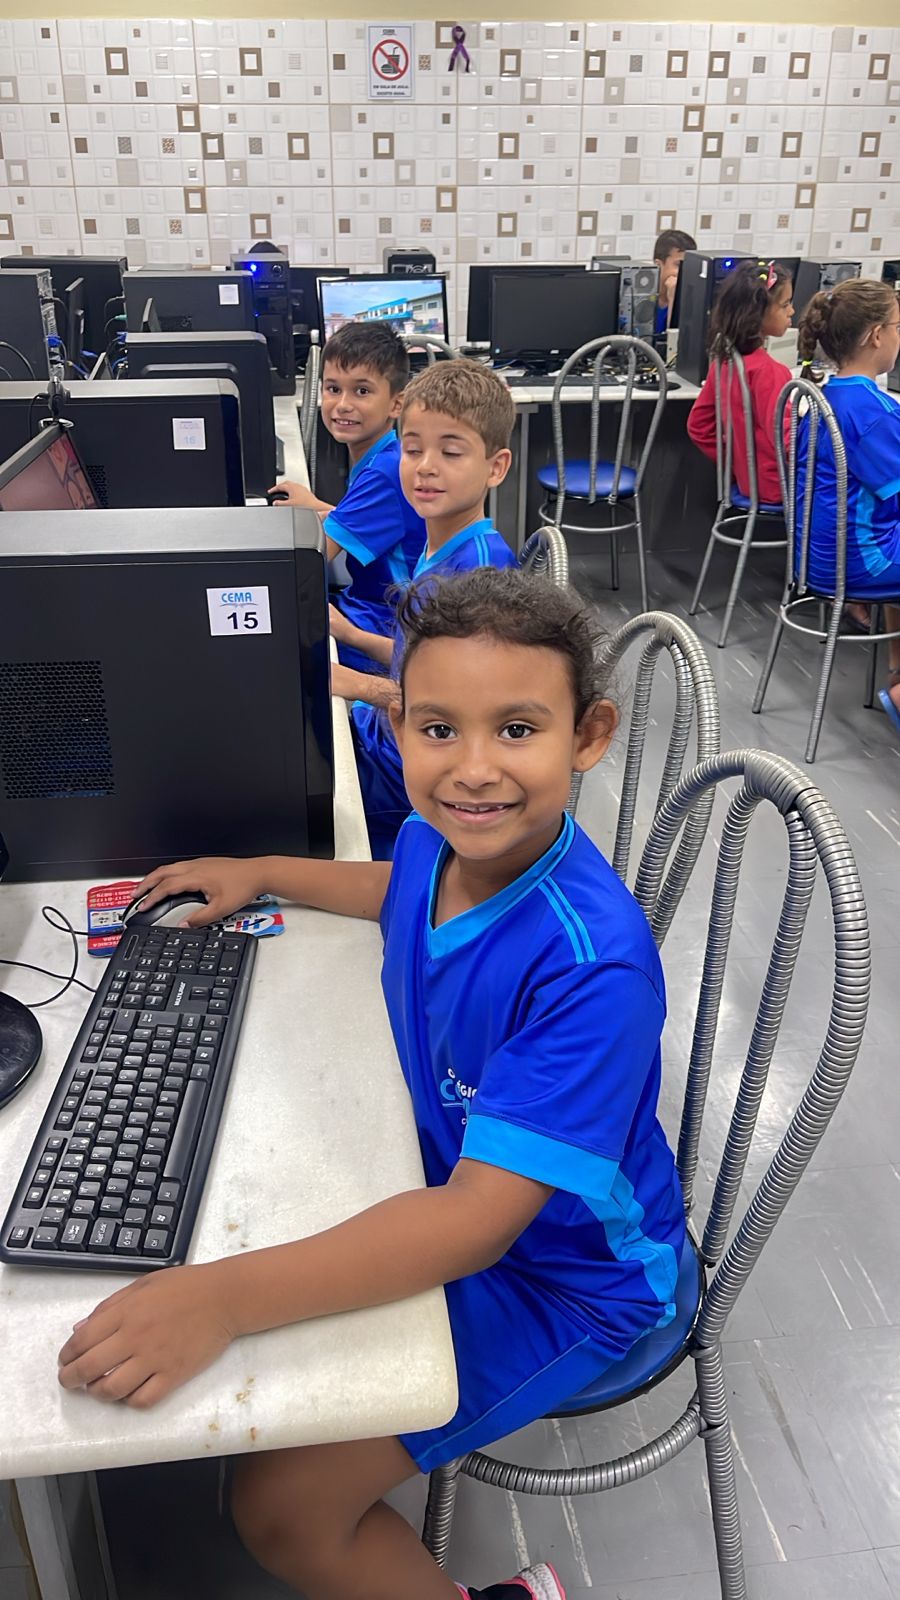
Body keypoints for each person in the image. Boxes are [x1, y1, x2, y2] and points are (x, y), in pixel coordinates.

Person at [58, 566, 688, 1600]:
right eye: (439, 728)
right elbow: (399, 888)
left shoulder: (590, 968)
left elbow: (476, 1225)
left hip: (572, 1277)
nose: (473, 769)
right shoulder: (435, 840)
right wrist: (267, 872)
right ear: (400, 728)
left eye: (517, 729)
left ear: (589, 736)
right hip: (457, 1189)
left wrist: (222, 1301)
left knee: (281, 1509)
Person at [333, 358, 519, 858]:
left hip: (403, 786)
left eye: (450, 452)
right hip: (384, 742)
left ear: (496, 467)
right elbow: (419, 657)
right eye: (412, 449)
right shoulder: (440, 546)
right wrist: (349, 636)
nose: (425, 466)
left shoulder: (477, 578)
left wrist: (357, 686)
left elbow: (461, 719)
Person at [272, 321, 427, 674]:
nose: (342, 405)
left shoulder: (384, 475)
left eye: (361, 391)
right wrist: (317, 507)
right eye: (333, 388)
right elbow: (374, 526)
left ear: (396, 404)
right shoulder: (386, 457)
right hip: (376, 608)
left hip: (390, 627)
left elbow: (310, 559)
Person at [796, 277, 900, 732]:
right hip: (859, 564)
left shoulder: (824, 396)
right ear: (877, 335)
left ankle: (897, 669)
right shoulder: (874, 412)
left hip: (816, 559)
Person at [686, 259, 794, 506]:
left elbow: (698, 425)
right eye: (785, 304)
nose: (792, 311)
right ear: (757, 314)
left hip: (748, 482)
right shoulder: (770, 371)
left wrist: (737, 463)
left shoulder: (724, 361)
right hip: (777, 487)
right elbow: (787, 440)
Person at [653, 228, 696, 339]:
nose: (684, 271)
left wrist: (673, 300)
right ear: (658, 265)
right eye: (678, 265)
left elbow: (676, 344)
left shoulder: (692, 301)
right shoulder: (644, 298)